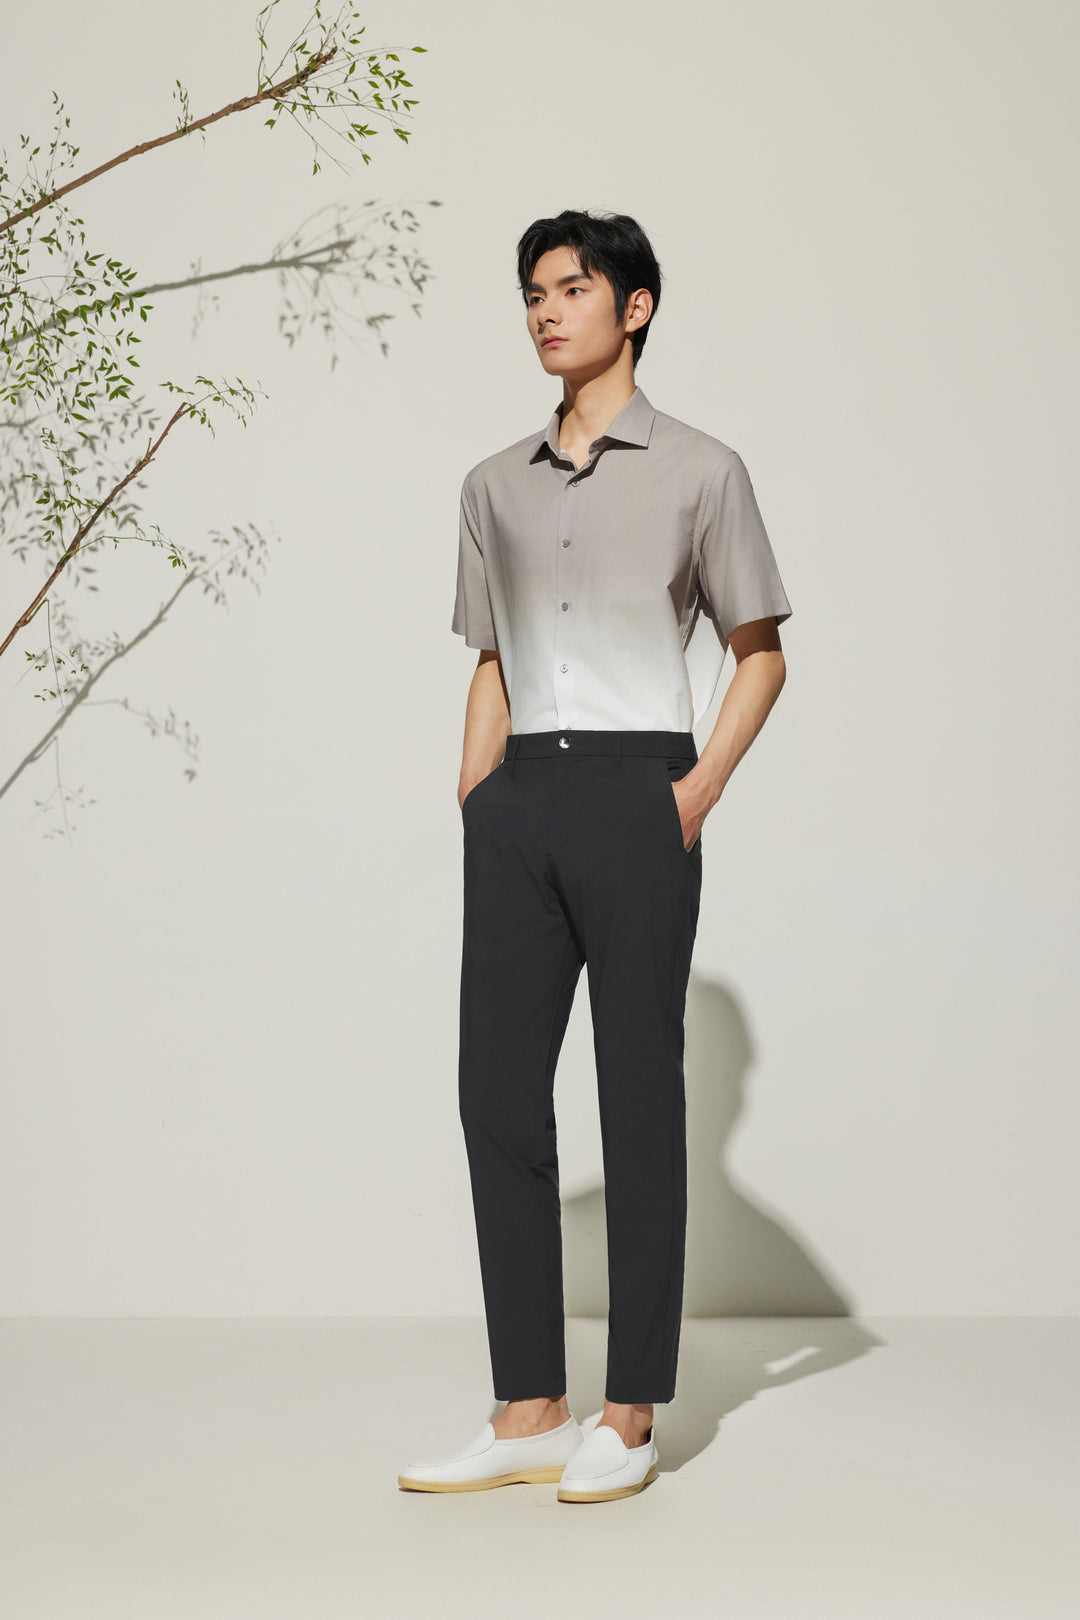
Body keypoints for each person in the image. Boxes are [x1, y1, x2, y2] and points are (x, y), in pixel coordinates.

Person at [398, 208, 793, 1503]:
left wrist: (695, 791)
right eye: (531, 293)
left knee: (637, 1096)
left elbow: (759, 651)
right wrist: (477, 793)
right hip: (519, 799)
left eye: (571, 289)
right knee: (496, 1097)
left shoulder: (703, 470)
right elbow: (492, 657)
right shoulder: (490, 486)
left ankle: (629, 1414)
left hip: (640, 794)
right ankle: (528, 1407)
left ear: (634, 308)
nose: (544, 312)